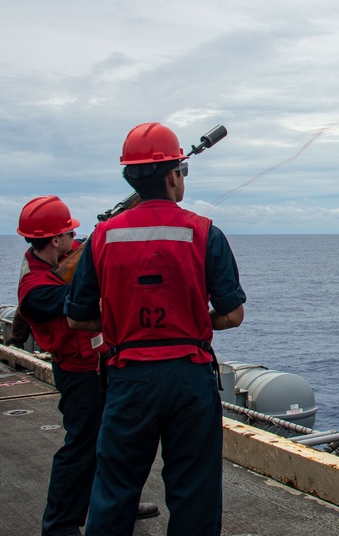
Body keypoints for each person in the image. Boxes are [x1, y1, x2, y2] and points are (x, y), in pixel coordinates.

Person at [66, 121, 246, 536]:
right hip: (189, 376)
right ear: (171, 176)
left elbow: (76, 318)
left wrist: (122, 323)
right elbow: (233, 314)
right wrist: (193, 321)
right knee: (194, 496)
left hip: (128, 378)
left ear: (131, 177)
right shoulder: (203, 233)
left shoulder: (102, 237)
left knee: (113, 493)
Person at [16, 195, 159, 536]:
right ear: (54, 239)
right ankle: (61, 524)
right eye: (68, 233)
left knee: (115, 441)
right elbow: (82, 303)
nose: (73, 238)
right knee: (80, 448)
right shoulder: (36, 289)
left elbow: (87, 253)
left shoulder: (56, 259)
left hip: (101, 365)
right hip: (79, 375)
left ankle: (115, 502)